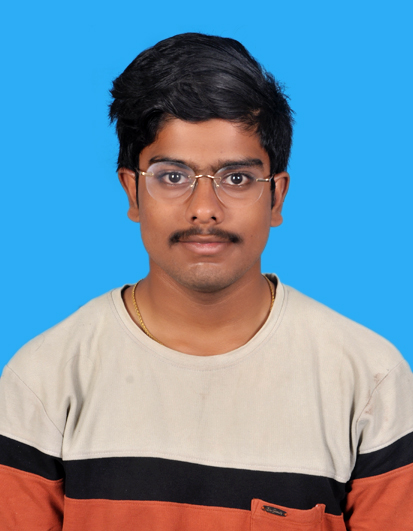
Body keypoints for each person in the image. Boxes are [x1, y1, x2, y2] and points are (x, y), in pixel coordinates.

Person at [0, 33, 412, 531]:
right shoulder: (44, 379)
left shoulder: (370, 382)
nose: (204, 209)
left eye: (236, 178)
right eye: (172, 176)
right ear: (132, 191)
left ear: (276, 197)